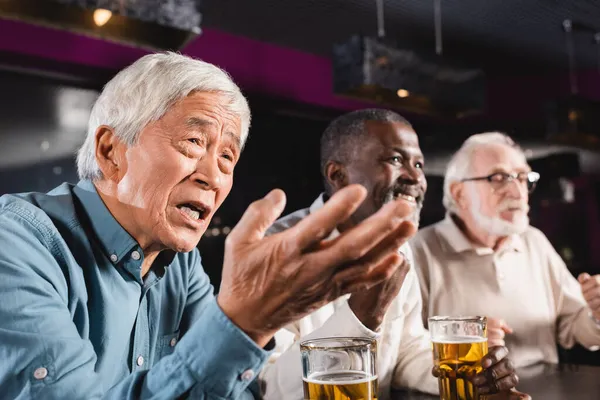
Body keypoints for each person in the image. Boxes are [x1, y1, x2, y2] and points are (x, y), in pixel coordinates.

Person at [0, 53, 422, 399]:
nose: (213, 176)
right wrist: (247, 324)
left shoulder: (181, 266)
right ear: (111, 152)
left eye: (227, 157)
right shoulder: (16, 242)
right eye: (194, 142)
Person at [259, 110, 526, 400]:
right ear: (338, 175)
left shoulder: (398, 246)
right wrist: (362, 318)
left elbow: (407, 353)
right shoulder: (278, 248)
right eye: (395, 160)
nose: (415, 177)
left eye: (419, 164)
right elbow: (270, 386)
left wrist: (469, 374)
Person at [411, 132, 600, 368]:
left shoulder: (533, 241)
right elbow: (403, 351)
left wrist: (596, 313)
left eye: (522, 178)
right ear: (460, 194)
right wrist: (462, 347)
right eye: (499, 177)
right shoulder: (419, 250)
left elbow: (574, 327)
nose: (518, 192)